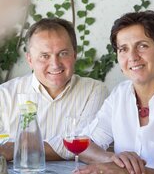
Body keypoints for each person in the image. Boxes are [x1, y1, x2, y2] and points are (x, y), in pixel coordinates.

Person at [75, 10, 154, 174]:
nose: (132, 57)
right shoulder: (119, 95)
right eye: (123, 49)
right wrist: (113, 160)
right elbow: (83, 146)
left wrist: (129, 172)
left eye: (142, 46)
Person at [0, 18, 109, 161]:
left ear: (74, 55)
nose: (55, 64)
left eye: (63, 53)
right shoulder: (4, 95)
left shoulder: (94, 91)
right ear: (30, 60)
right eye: (44, 56)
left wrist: (16, 148)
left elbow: (86, 144)